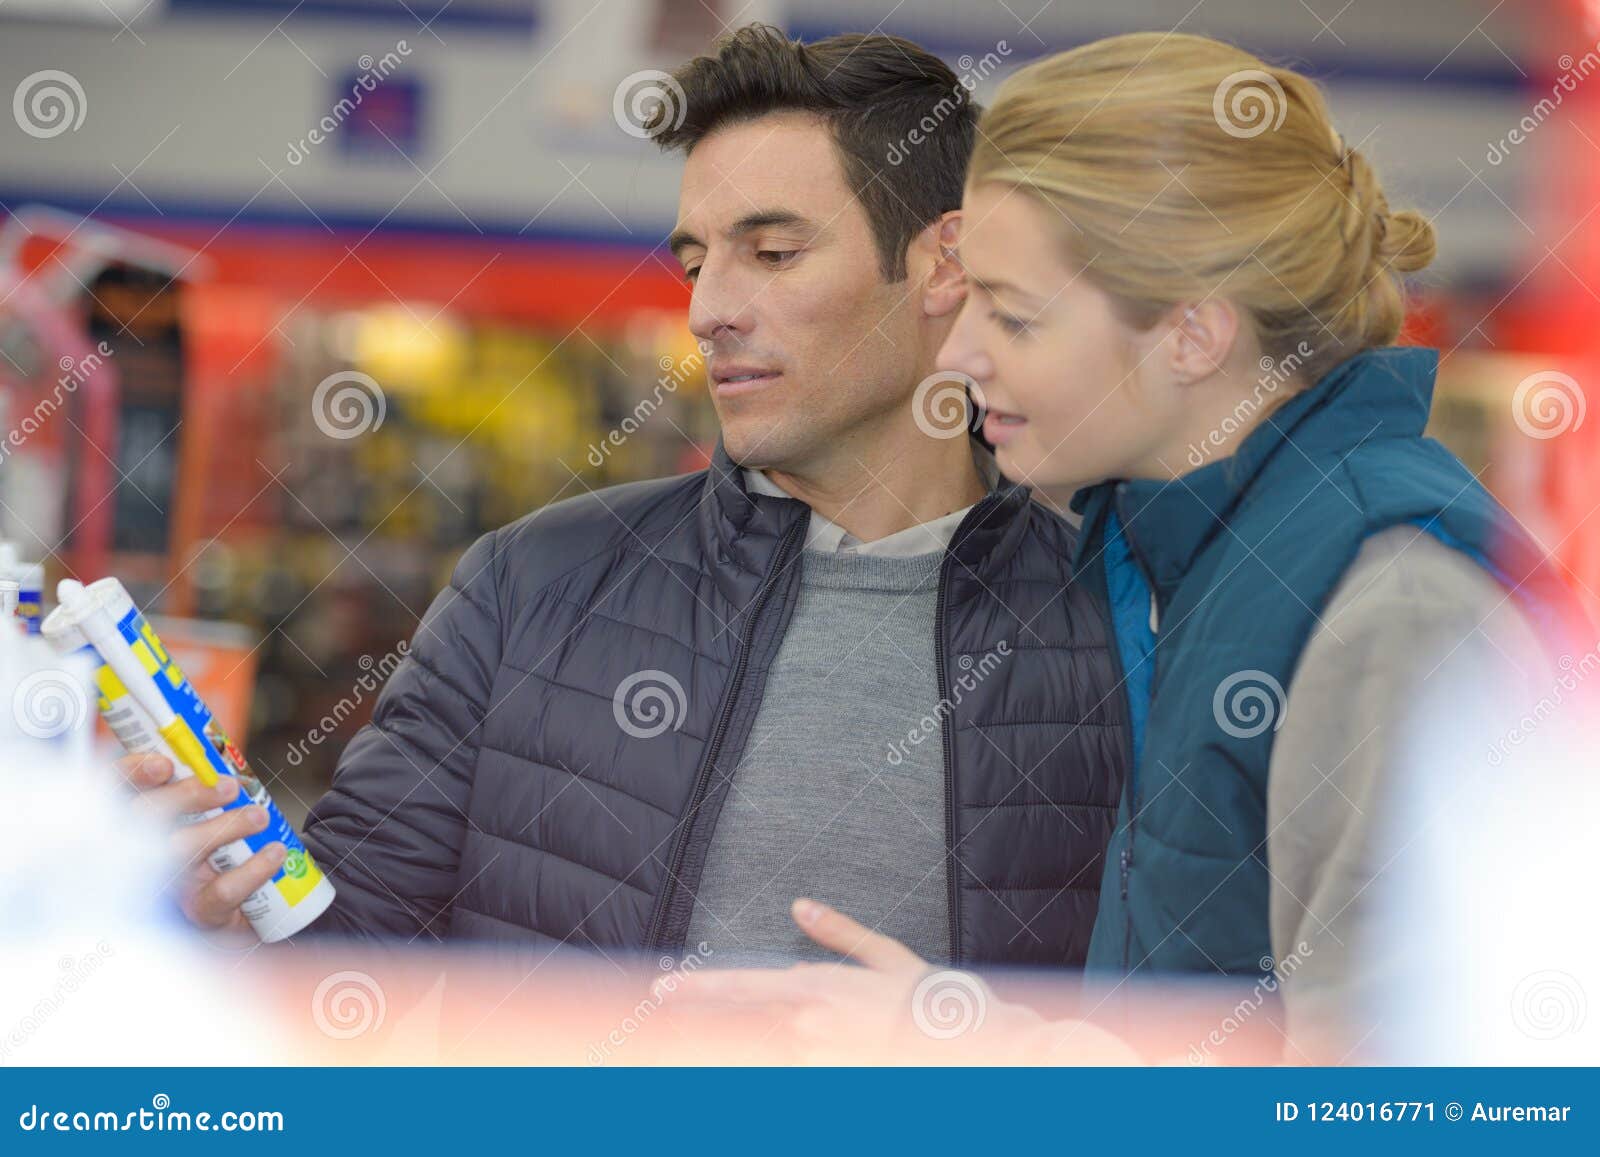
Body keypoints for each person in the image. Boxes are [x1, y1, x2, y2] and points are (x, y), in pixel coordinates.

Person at [115, 25, 1128, 977]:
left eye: (772, 253)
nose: (710, 310)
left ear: (942, 263)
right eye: (696, 261)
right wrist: (224, 908)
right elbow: (348, 948)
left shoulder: (1119, 619)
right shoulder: (531, 586)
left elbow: (1190, 1023)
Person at [684, 30, 1589, 1058]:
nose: (960, 348)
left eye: (1015, 316)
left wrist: (983, 1054)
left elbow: (1411, 1102)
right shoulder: (1174, 552)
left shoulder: (1397, 606)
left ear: (1194, 336)